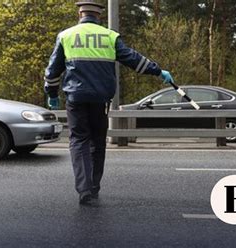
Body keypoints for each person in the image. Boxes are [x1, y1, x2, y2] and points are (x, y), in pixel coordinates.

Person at [44, 1, 174, 205]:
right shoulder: (110, 36)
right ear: (99, 16)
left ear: (80, 13)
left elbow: (52, 71)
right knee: (97, 142)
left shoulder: (66, 35)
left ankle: (84, 189)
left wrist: (52, 93)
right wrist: (158, 71)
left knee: (79, 141)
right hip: (100, 99)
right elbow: (134, 60)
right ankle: (94, 187)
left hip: (76, 99)